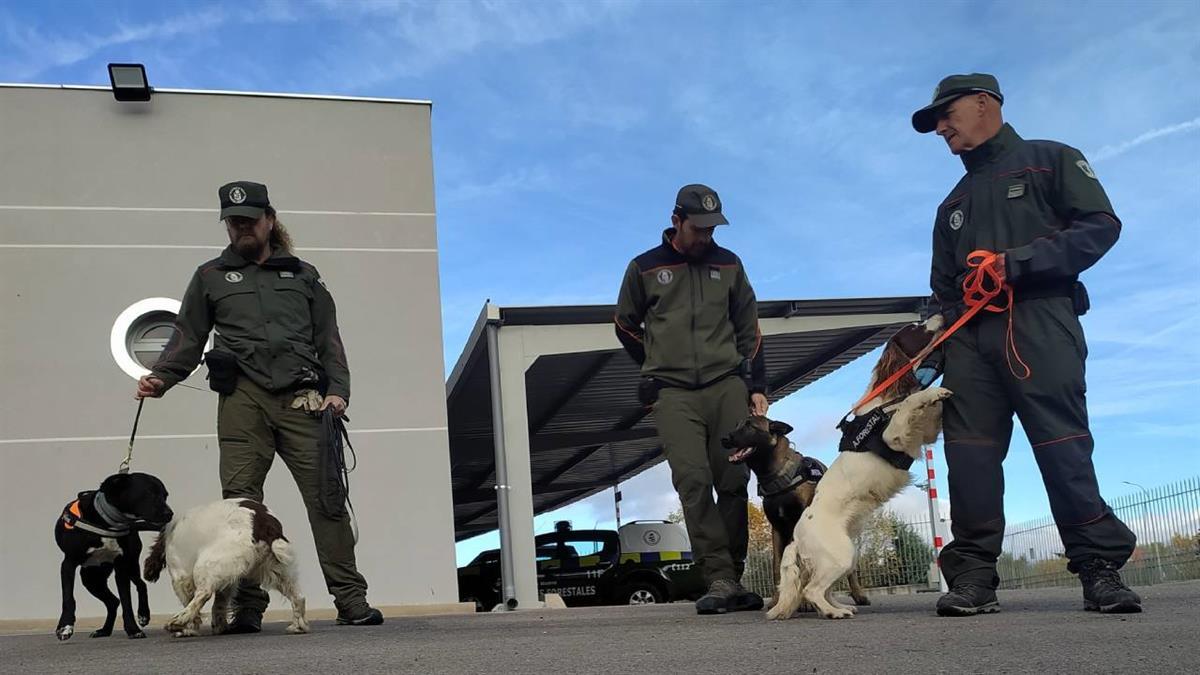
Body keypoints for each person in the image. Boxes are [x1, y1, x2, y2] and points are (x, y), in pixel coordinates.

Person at [911, 74, 1140, 616]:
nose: (941, 127)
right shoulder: (952, 204)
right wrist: (929, 346)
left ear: (985, 103)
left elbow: (1100, 227)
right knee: (968, 457)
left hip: (1039, 321)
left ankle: (1098, 568)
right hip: (968, 338)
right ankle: (972, 578)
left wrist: (1016, 264)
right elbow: (942, 288)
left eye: (947, 113)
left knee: (1062, 445)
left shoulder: (1051, 159)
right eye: (936, 121)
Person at [135, 181, 383, 630]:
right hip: (242, 400)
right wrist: (163, 377)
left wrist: (338, 390)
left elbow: (328, 338)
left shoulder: (304, 275)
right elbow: (188, 336)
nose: (242, 228)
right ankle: (247, 609)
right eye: (234, 222)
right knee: (241, 510)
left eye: (250, 219)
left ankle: (350, 600)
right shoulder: (209, 276)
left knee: (327, 501)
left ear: (270, 219)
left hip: (303, 399)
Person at [614, 184, 768, 614]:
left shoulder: (729, 264)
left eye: (712, 229)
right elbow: (625, 324)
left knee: (733, 481)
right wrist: (654, 363)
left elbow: (749, 329)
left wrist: (757, 386)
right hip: (673, 392)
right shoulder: (644, 267)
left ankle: (733, 577)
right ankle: (717, 577)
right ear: (676, 220)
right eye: (698, 229)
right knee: (694, 481)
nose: (705, 237)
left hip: (726, 385)